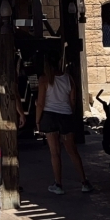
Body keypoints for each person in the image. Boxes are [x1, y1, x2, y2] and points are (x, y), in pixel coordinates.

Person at [36, 58, 92, 195]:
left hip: (49, 116)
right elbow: (73, 100)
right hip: (65, 115)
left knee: (55, 153)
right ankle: (84, 182)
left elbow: (41, 103)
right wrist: (69, 112)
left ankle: (58, 184)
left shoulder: (44, 79)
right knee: (72, 150)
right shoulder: (69, 79)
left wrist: (38, 121)